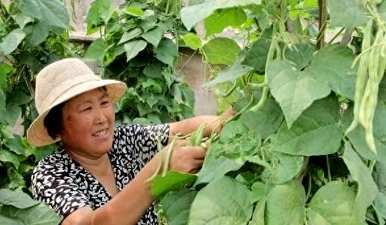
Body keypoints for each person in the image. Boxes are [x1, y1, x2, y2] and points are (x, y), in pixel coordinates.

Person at [27, 58, 233, 225]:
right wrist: (156, 173)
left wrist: (227, 121)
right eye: (86, 108)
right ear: (58, 128)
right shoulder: (50, 174)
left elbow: (184, 128)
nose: (102, 117)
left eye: (104, 102)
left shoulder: (123, 140)